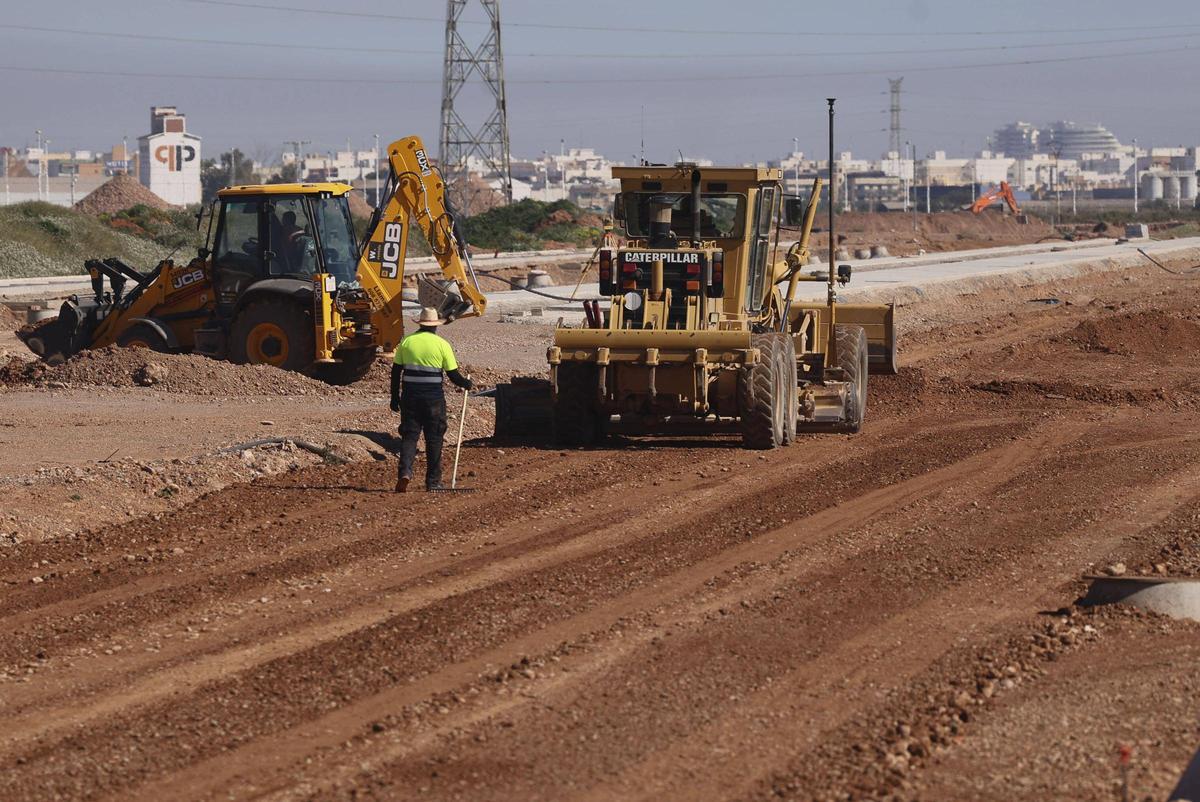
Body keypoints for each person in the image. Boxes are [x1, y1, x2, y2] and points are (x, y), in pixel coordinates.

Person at [391, 308, 473, 492]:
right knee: (434, 439)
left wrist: (394, 397)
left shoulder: (407, 342)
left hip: (410, 397)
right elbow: (453, 376)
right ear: (435, 326)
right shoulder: (442, 344)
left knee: (410, 437)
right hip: (433, 399)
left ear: (420, 323)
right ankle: (433, 481)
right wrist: (466, 383)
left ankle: (405, 473)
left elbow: (396, 372)